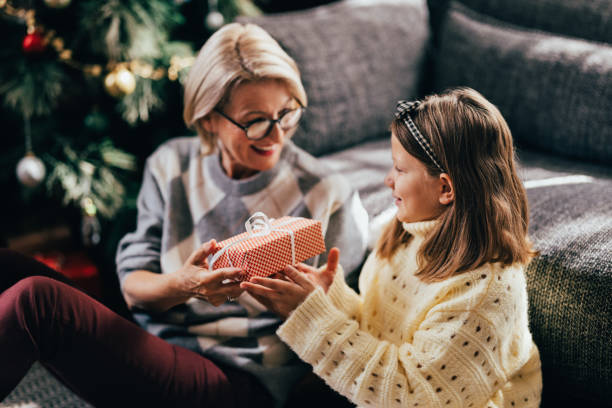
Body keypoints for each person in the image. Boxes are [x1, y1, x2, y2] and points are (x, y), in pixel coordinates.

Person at [0, 22, 367, 408]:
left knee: (36, 302)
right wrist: (183, 285)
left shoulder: (327, 193)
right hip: (153, 344)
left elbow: (356, 323)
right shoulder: (171, 163)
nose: (276, 135)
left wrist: (320, 303)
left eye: (287, 113)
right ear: (208, 117)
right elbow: (134, 290)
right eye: (255, 120)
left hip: (238, 379)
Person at [241, 87, 543, 408]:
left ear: (445, 188)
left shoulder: (483, 290)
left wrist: (313, 318)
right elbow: (384, 332)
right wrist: (330, 299)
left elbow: (410, 395)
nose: (388, 180)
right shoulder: (406, 231)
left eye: (399, 169)